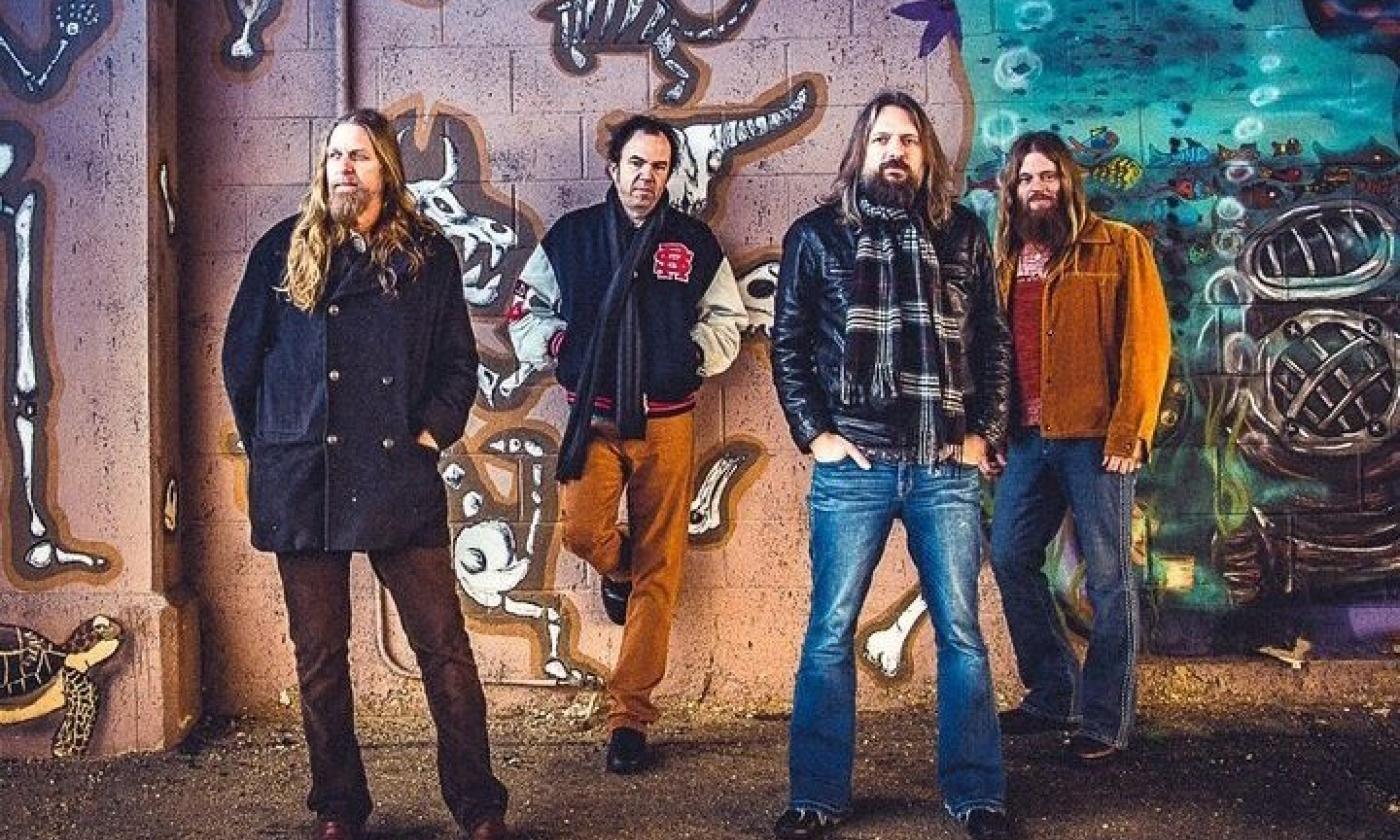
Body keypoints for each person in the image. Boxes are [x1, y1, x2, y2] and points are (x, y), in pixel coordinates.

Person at [222, 108, 508, 840]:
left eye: (360, 156)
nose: (344, 167)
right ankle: (340, 808)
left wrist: (426, 435)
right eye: (334, 155)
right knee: (320, 657)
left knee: (442, 647)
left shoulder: (427, 257)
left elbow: (456, 365)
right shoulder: (280, 253)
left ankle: (478, 806)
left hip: (394, 473)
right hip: (303, 475)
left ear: (387, 170)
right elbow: (241, 362)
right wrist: (277, 443)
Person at [769, 91, 1013, 840]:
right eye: (882, 139)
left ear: (925, 154)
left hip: (944, 465)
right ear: (860, 150)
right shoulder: (815, 237)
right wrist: (817, 436)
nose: (896, 152)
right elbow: (788, 344)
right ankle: (817, 795)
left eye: (908, 139)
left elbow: (995, 344)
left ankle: (978, 796)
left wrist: (984, 433)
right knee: (829, 630)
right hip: (855, 468)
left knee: (963, 633)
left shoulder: (963, 234)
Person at [506, 114, 746, 774]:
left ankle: (629, 716)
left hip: (668, 421)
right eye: (636, 164)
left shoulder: (693, 244)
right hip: (596, 418)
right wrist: (562, 349)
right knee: (583, 532)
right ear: (614, 170)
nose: (647, 177)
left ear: (671, 174)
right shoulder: (574, 238)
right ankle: (619, 570)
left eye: (659, 167)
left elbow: (728, 317)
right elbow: (526, 311)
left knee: (662, 569)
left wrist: (690, 357)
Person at [988, 130, 1171, 762]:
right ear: (1011, 190)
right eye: (1027, 179)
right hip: (1028, 442)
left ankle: (1105, 720)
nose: (1039, 187)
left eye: (1049, 176)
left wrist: (1130, 431)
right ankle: (1053, 693)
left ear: (1069, 181)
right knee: (1010, 556)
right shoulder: (1004, 260)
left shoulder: (1117, 246)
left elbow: (1146, 345)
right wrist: (991, 431)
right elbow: (994, 355)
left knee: (1111, 578)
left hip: (1097, 441)